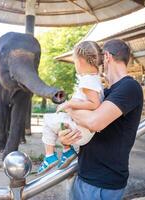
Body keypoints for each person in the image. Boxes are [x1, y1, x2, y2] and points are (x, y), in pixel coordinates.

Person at [59, 39, 144, 200]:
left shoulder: (129, 87)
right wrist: (66, 139)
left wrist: (69, 107)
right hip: (87, 176)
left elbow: (94, 122)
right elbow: (86, 123)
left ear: (106, 57)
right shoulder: (104, 92)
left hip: (101, 183)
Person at [38, 41, 104, 175]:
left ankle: (50, 156)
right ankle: (66, 151)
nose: (75, 66)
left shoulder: (87, 81)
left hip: (79, 131)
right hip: (82, 130)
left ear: (80, 61)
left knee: (47, 121)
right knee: (55, 119)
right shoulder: (95, 79)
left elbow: (94, 104)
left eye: (74, 62)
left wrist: (68, 104)